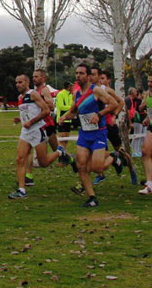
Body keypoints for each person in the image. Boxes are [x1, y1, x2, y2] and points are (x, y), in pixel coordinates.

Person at [57, 64, 123, 208]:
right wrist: (64, 117)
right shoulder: (77, 94)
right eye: (76, 73)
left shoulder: (96, 91)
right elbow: (74, 111)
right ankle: (92, 197)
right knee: (81, 166)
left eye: (81, 73)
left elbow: (113, 104)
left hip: (99, 132)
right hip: (84, 133)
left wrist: (99, 115)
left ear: (87, 76)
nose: (78, 76)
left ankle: (114, 157)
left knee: (97, 167)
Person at [8, 74, 71, 199]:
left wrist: (31, 122)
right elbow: (27, 113)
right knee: (20, 159)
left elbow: (46, 110)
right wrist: (19, 119)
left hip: (37, 130)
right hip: (26, 132)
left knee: (44, 162)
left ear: (27, 83)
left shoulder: (33, 94)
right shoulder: (20, 97)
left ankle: (59, 151)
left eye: (20, 82)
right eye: (16, 82)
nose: (18, 85)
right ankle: (21, 190)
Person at [94, 71, 138, 186]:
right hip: (99, 125)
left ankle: (132, 170)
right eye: (100, 78)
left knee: (120, 150)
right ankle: (100, 174)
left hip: (110, 124)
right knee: (98, 150)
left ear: (108, 80)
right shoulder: (93, 90)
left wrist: (115, 116)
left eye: (103, 78)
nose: (101, 80)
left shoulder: (107, 90)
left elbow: (121, 102)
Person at [126, 88, 145, 158]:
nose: (136, 92)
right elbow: (128, 111)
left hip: (135, 119)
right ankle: (133, 151)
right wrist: (130, 122)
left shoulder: (133, 100)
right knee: (134, 136)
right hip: (133, 120)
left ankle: (137, 150)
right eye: (134, 91)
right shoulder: (128, 99)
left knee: (138, 136)